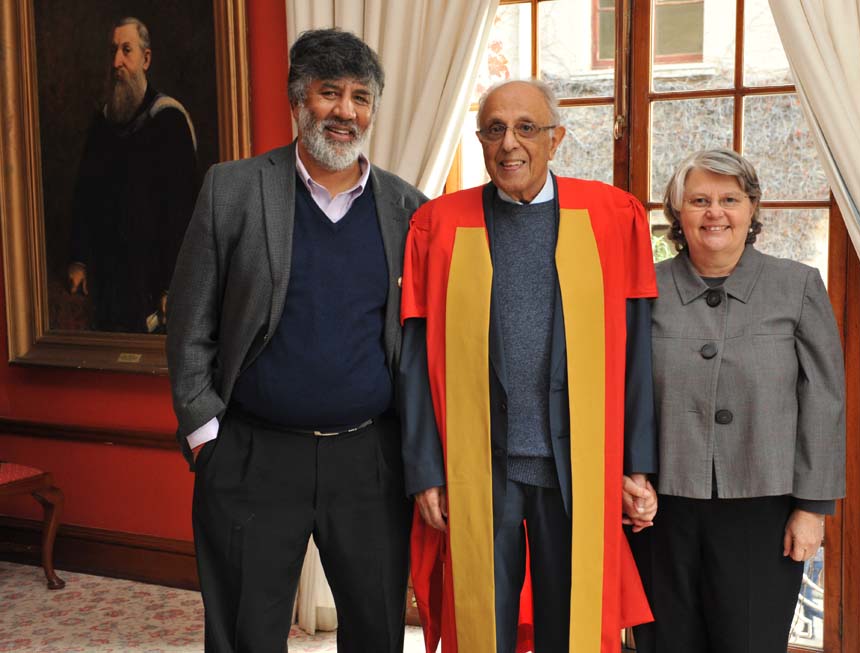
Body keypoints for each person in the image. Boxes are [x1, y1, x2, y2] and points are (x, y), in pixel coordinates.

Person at [166, 29, 427, 653]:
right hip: (253, 456)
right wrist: (207, 436)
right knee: (245, 635)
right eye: (329, 92)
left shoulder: (410, 210)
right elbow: (189, 323)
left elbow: (419, 346)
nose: (345, 112)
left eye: (361, 97)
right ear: (296, 100)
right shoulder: (230, 191)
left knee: (377, 633)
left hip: (369, 460)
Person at [400, 79, 658, 653]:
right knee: (481, 619)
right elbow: (413, 360)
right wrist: (424, 469)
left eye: (525, 128)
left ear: (555, 138)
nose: (509, 143)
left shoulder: (612, 217)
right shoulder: (439, 225)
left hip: (579, 464)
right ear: (480, 140)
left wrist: (636, 463)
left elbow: (638, 350)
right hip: (478, 462)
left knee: (573, 623)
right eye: (494, 129)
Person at [628, 149, 845, 653]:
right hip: (659, 510)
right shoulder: (642, 291)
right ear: (676, 211)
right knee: (665, 644)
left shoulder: (798, 287)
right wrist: (628, 476)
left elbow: (824, 400)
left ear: (752, 210)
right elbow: (620, 390)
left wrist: (812, 508)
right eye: (699, 200)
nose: (714, 213)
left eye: (730, 199)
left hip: (765, 511)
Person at [69, 17, 197, 333]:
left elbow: (183, 212)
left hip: (153, 281)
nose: (117, 62)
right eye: (113, 51)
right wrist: (79, 260)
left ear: (146, 58)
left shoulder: (168, 120)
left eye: (127, 51)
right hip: (108, 276)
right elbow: (84, 197)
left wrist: (171, 285)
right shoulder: (103, 123)